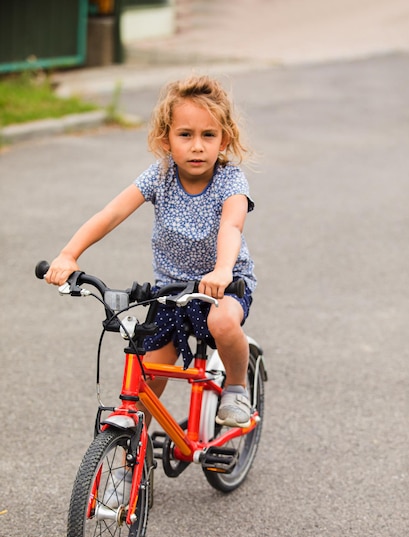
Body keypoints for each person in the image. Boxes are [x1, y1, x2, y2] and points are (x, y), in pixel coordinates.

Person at [46, 75, 257, 429]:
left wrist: (222, 270)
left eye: (209, 135)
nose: (197, 146)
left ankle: (236, 386)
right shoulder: (159, 176)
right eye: (185, 134)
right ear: (166, 138)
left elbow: (231, 226)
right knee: (147, 378)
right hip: (172, 292)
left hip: (226, 284)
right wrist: (69, 254)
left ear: (224, 140)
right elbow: (111, 213)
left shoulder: (230, 181)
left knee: (221, 322)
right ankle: (129, 453)